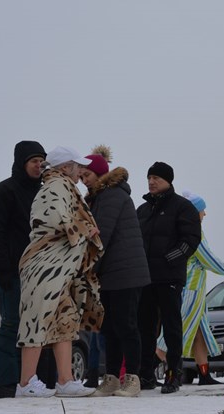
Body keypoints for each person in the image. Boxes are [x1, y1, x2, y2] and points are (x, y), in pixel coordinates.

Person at [16, 146, 103, 398]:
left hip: (57, 269)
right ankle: (26, 383)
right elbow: (54, 218)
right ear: (65, 167)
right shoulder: (56, 186)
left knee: (64, 320)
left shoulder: (62, 186)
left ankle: (66, 380)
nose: (80, 170)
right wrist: (84, 230)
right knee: (37, 319)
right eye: (77, 166)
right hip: (44, 267)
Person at [80, 148, 151, 397]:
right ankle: (111, 378)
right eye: (81, 175)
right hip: (111, 274)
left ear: (99, 174)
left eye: (86, 174)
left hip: (126, 273)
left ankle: (133, 378)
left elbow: (102, 237)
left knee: (126, 325)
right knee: (109, 327)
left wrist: (87, 270)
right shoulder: (99, 197)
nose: (83, 179)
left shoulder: (110, 196)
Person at [156, 190, 224, 385]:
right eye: (202, 210)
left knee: (199, 333)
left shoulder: (182, 229)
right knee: (173, 332)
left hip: (195, 290)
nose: (205, 214)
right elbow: (209, 260)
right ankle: (156, 369)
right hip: (189, 289)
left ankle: (204, 375)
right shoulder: (192, 231)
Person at [0, 140, 46, 399]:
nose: (39, 166)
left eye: (42, 161)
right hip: (11, 273)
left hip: (37, 272)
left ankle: (28, 380)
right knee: (11, 326)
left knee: (34, 328)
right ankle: (6, 384)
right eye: (34, 161)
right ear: (22, 162)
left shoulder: (43, 192)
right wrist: (4, 270)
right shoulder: (3, 191)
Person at [137, 162, 201, 394]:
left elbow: (191, 240)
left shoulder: (183, 207)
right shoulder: (142, 210)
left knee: (172, 326)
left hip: (169, 276)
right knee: (144, 328)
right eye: (149, 177)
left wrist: (169, 259)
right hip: (145, 278)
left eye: (156, 178)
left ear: (168, 180)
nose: (152, 182)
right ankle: (145, 376)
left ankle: (173, 374)